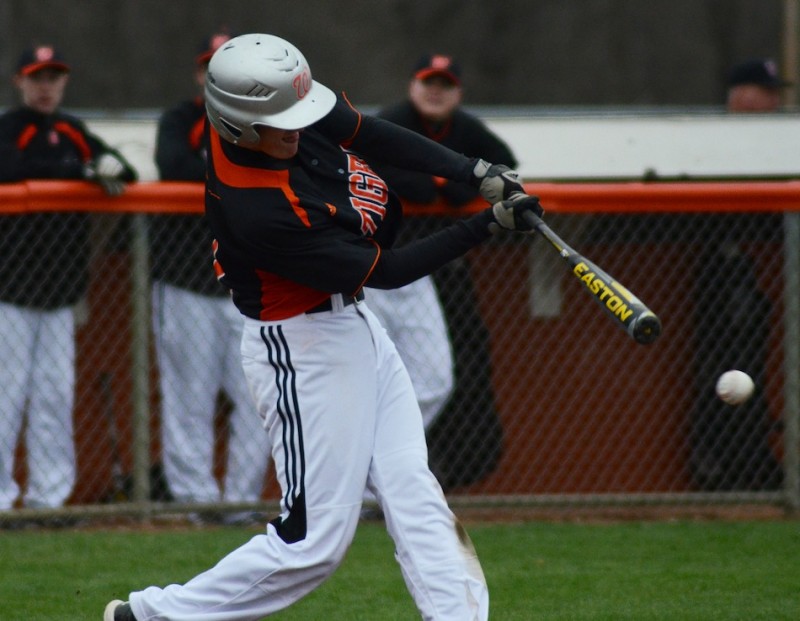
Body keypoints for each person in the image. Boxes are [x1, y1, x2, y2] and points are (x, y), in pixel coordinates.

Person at [104, 32, 541, 621]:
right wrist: (486, 225)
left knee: (414, 493)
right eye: (281, 123)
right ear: (238, 124)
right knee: (311, 543)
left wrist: (473, 170)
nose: (298, 128)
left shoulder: (277, 101)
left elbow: (368, 132)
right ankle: (151, 616)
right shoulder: (258, 205)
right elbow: (388, 272)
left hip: (355, 328)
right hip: (302, 347)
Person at [368, 54, 517, 490]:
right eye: (428, 81)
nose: (436, 91)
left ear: (459, 92)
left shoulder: (466, 128)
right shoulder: (392, 120)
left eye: (445, 84)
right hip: (370, 265)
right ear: (412, 85)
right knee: (364, 378)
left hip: (424, 268)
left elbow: (505, 163)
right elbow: (376, 168)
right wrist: (439, 185)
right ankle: (366, 477)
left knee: (433, 380)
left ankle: (379, 473)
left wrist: (445, 187)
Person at [0, 44, 137, 512]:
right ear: (20, 81)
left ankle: (49, 499)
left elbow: (128, 171)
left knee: (54, 399)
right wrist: (82, 171)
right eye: (38, 78)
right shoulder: (9, 128)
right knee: (6, 397)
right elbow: (13, 168)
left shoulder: (72, 130)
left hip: (61, 293)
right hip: (11, 292)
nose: (46, 87)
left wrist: (103, 166)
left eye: (54, 78)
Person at [151, 31, 269, 522]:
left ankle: (241, 503)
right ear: (202, 76)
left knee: (259, 401)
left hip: (248, 288)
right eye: (209, 68)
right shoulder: (183, 119)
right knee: (189, 401)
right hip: (186, 283)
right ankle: (195, 501)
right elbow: (173, 165)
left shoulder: (265, 122)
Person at [688, 58, 789, 491]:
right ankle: (720, 459)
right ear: (742, 95)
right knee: (723, 356)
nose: (776, 100)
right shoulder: (715, 142)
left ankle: (746, 458)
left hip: (744, 270)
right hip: (718, 273)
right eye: (765, 90)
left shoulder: (777, 142)